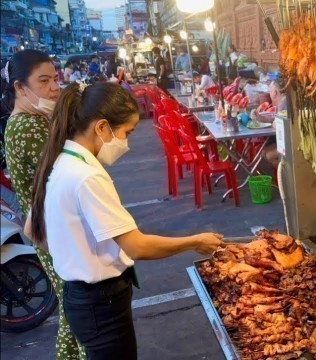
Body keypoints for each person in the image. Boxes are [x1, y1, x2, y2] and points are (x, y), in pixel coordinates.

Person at [26, 82, 224, 360]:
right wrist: (195, 242)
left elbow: (33, 232)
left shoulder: (60, 161)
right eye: (126, 133)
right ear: (102, 127)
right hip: (100, 301)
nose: (127, 143)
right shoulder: (86, 176)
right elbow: (137, 246)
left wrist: (74, 254)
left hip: (81, 298)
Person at [1, 49, 86, 360]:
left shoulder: (37, 119)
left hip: (54, 227)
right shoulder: (26, 127)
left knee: (72, 306)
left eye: (55, 78)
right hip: (55, 230)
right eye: (44, 80)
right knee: (75, 307)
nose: (54, 87)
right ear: (21, 88)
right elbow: (67, 173)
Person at [257, 78, 288, 168]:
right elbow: (276, 120)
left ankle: (284, 176)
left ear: (274, 92)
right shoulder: (282, 101)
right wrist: (261, 118)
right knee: (263, 152)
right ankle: (280, 177)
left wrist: (274, 122)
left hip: (289, 143)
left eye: (270, 90)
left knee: (268, 155)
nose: (269, 93)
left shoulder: (284, 103)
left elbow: (281, 124)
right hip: (284, 141)